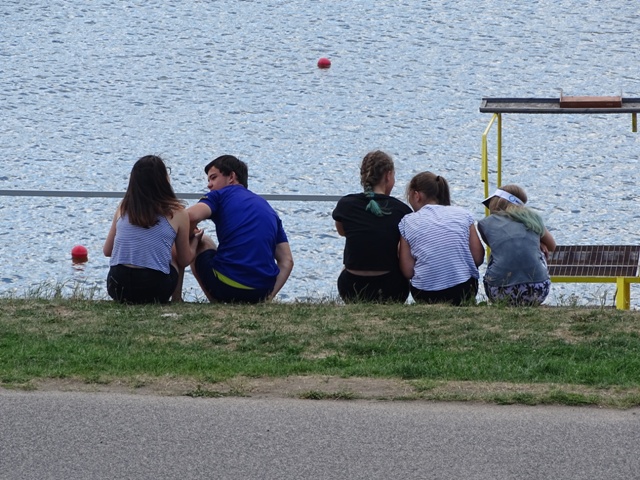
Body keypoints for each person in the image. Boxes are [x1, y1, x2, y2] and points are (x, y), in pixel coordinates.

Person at [183, 154, 294, 303]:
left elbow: (189, 217)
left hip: (227, 286)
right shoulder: (268, 208)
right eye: (208, 180)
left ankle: (216, 302)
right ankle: (261, 300)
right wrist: (268, 297)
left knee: (201, 241)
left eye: (213, 178)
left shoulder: (219, 196)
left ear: (231, 177)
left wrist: (190, 235)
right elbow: (287, 261)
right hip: (261, 291)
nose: (209, 185)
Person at [103, 155, 199, 303]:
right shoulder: (178, 212)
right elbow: (184, 259)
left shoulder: (124, 207)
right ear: (164, 180)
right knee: (174, 251)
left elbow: (107, 251)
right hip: (155, 289)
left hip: (117, 286)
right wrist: (195, 241)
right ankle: (177, 298)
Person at [332, 150, 412, 303]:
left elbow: (342, 232)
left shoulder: (346, 205)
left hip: (351, 287)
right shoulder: (402, 211)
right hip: (391, 289)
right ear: (388, 175)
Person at [398, 172, 485, 305]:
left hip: (424, 294)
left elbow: (407, 271)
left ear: (416, 195)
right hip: (463, 290)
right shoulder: (463, 215)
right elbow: (478, 258)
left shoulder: (407, 222)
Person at [477, 185, 556, 306]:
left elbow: (501, 246)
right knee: (537, 251)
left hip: (499, 293)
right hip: (538, 291)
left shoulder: (484, 223)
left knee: (498, 254)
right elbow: (552, 246)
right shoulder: (532, 218)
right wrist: (538, 242)